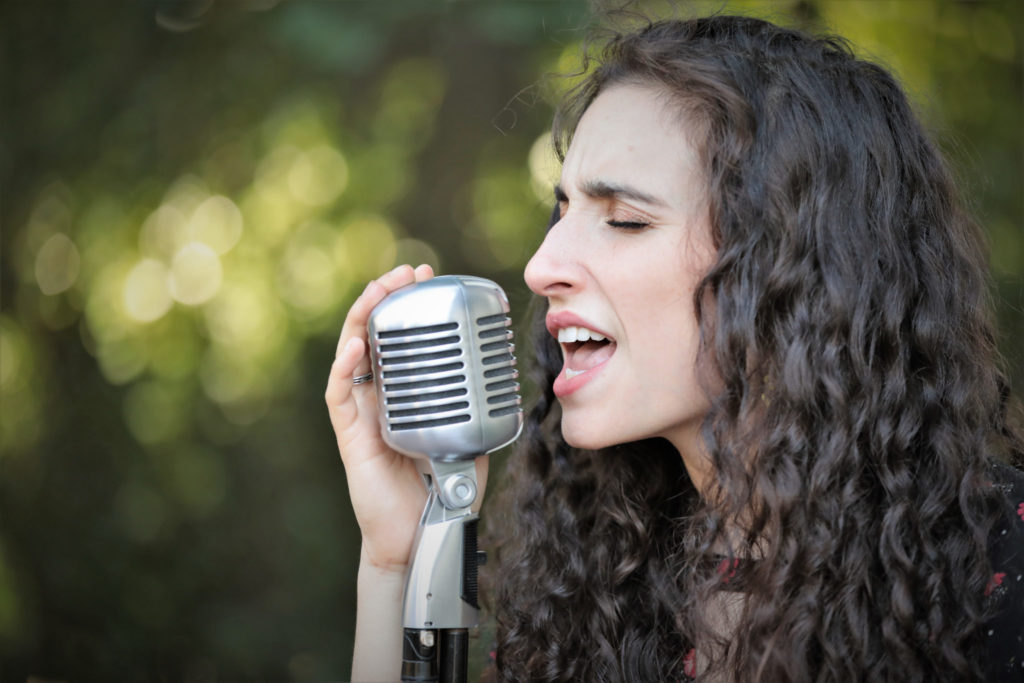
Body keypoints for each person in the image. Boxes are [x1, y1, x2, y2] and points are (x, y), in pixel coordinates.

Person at [326, 13, 1024, 682]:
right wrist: (402, 560)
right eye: (562, 211)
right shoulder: (598, 593)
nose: (541, 267)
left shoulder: (996, 569)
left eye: (625, 220)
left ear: (791, 267)